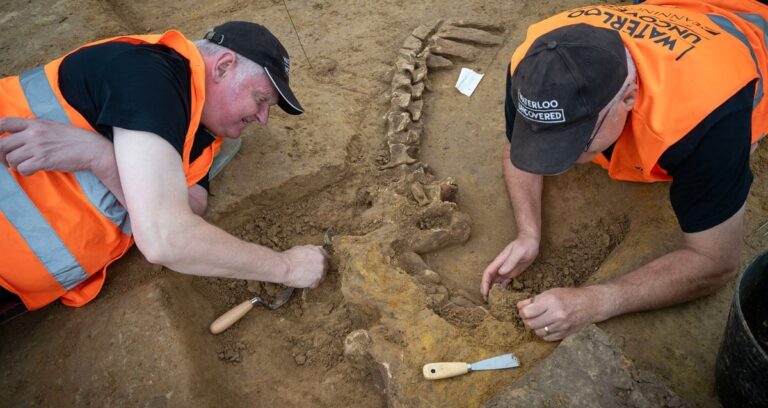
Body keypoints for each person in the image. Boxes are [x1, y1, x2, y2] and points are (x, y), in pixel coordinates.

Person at [481, 0, 767, 341]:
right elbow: (516, 150)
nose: (564, 160)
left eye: (578, 141)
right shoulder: (535, 61)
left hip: (744, 33)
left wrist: (597, 301)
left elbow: (715, 261)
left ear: (629, 98)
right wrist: (528, 233)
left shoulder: (704, 119)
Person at [0, 21, 327, 319]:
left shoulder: (200, 132)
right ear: (224, 67)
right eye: (260, 99)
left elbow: (190, 207)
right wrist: (286, 267)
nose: (262, 118)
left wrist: (101, 157)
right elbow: (167, 238)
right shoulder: (149, 77)